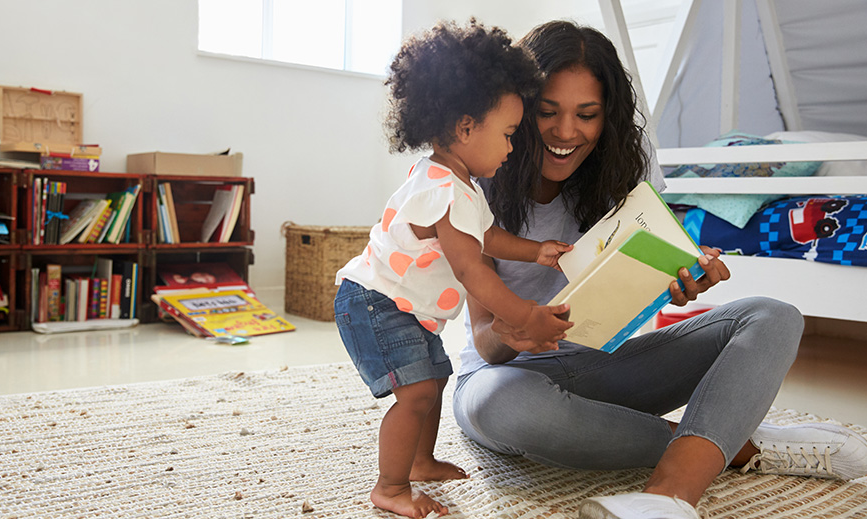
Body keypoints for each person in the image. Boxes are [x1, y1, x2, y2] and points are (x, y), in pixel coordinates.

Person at [452, 19, 867, 519]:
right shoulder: (477, 183)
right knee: (499, 406)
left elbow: (641, 281)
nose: (566, 133)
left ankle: (669, 498)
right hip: (507, 374)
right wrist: (511, 332)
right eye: (547, 112)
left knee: (773, 317)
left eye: (587, 115)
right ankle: (734, 446)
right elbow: (483, 340)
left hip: (603, 364)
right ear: (516, 109)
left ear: (608, 117)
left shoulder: (623, 167)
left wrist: (675, 284)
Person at [333, 20, 575, 519]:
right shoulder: (443, 190)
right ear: (466, 127)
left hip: (400, 305)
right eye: (508, 135)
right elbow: (473, 271)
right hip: (374, 302)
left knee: (437, 377)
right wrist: (526, 316)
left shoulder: (459, 184)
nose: (512, 149)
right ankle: (390, 486)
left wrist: (536, 251)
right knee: (416, 392)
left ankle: (420, 460)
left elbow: (488, 239)